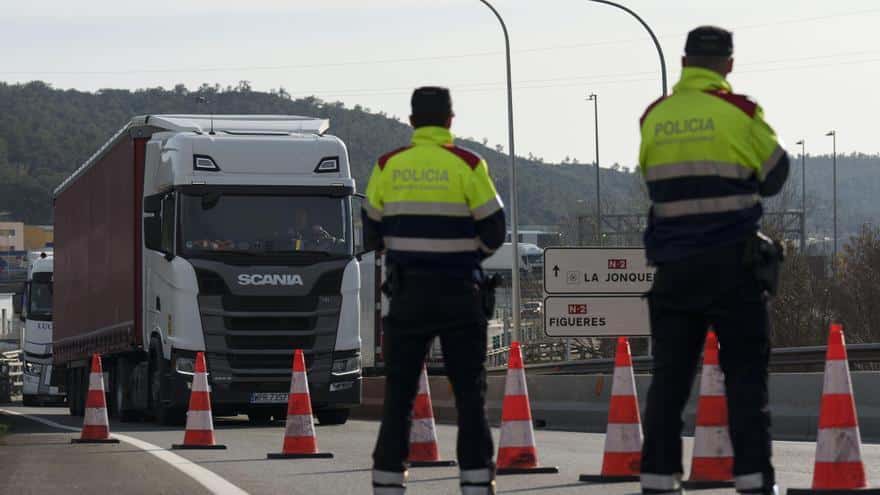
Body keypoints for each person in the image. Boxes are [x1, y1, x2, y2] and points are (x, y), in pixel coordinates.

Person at [637, 26, 789, 495]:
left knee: (668, 382)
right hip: (733, 270)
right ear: (728, 65)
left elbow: (650, 178)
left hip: (674, 271)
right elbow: (776, 173)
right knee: (745, 381)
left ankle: (659, 482)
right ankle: (753, 482)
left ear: (683, 63)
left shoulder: (654, 117)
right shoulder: (740, 113)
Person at [363, 86, 506, 495]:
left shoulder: (388, 165)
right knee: (469, 398)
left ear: (411, 122)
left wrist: (406, 253)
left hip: (407, 297)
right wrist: (462, 257)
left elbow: (371, 230)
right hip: (460, 294)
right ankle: (477, 485)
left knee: (399, 398)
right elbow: (495, 230)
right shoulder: (468, 163)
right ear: (450, 121)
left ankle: (389, 485)